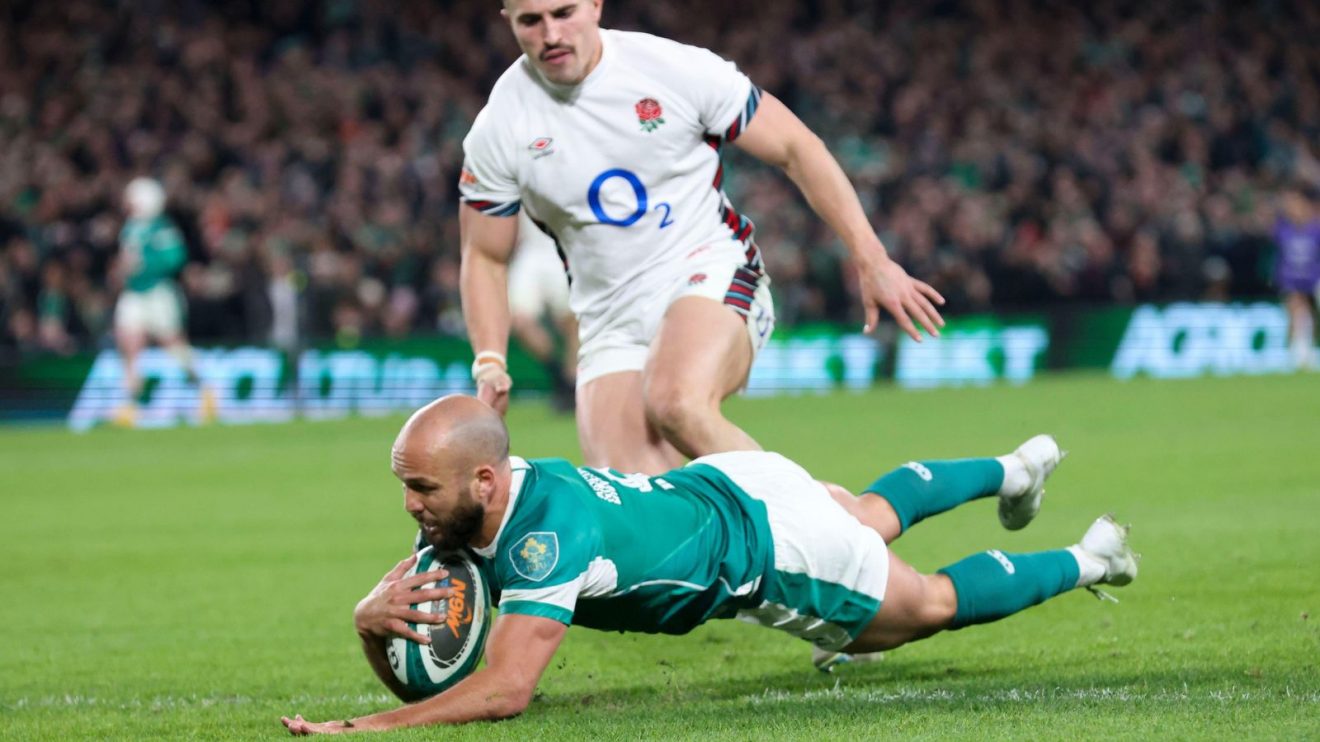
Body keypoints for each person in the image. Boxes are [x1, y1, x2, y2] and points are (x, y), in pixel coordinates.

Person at [280, 396, 1138, 734]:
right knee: (874, 514)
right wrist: (369, 628)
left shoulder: (544, 536)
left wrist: (365, 730)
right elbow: (433, 668)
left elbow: (504, 690)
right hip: (727, 481)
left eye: (420, 488)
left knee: (927, 604)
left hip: (773, 553)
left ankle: (1091, 558)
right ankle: (1014, 470)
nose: (410, 507)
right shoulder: (481, 498)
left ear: (479, 479)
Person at [459, 0, 946, 474]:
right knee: (640, 514)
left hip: (706, 272)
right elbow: (483, 255)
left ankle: (833, 541)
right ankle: (844, 519)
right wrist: (489, 361)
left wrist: (871, 257)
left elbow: (797, 147)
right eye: (531, 21)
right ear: (510, 23)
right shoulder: (500, 126)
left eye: (563, 13)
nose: (551, 35)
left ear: (595, 6)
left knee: (677, 401)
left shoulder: (671, 69)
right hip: (608, 322)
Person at [111, 177, 215, 427]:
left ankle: (206, 391)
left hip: (158, 292)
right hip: (134, 293)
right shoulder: (130, 227)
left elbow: (175, 258)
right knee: (129, 345)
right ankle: (129, 404)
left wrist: (145, 266)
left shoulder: (161, 227)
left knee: (173, 344)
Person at [508, 210, 578, 411]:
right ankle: (560, 378)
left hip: (567, 245)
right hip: (530, 250)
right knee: (520, 322)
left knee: (571, 324)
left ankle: (571, 386)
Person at [1273, 186, 1320, 370]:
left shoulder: (1316, 230)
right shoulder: (1282, 230)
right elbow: (1278, 256)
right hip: (1292, 278)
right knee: (1296, 314)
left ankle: (1309, 351)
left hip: (1314, 278)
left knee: (1312, 315)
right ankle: (1298, 355)